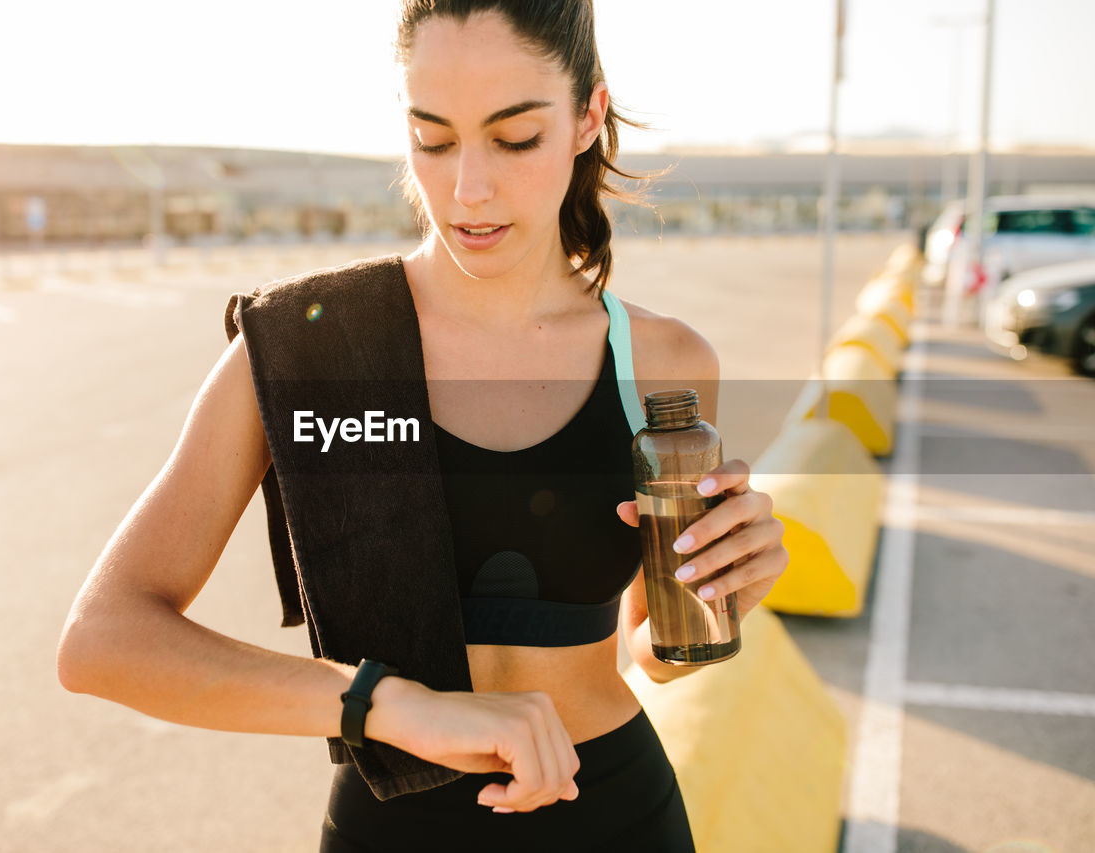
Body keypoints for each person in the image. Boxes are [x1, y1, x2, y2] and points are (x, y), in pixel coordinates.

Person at [57, 1, 789, 850]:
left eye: (514, 138)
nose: (467, 189)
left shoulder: (663, 362)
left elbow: (648, 650)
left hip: (619, 816)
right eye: (433, 138)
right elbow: (101, 639)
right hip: (392, 828)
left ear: (588, 115)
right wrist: (387, 704)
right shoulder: (310, 344)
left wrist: (724, 587)